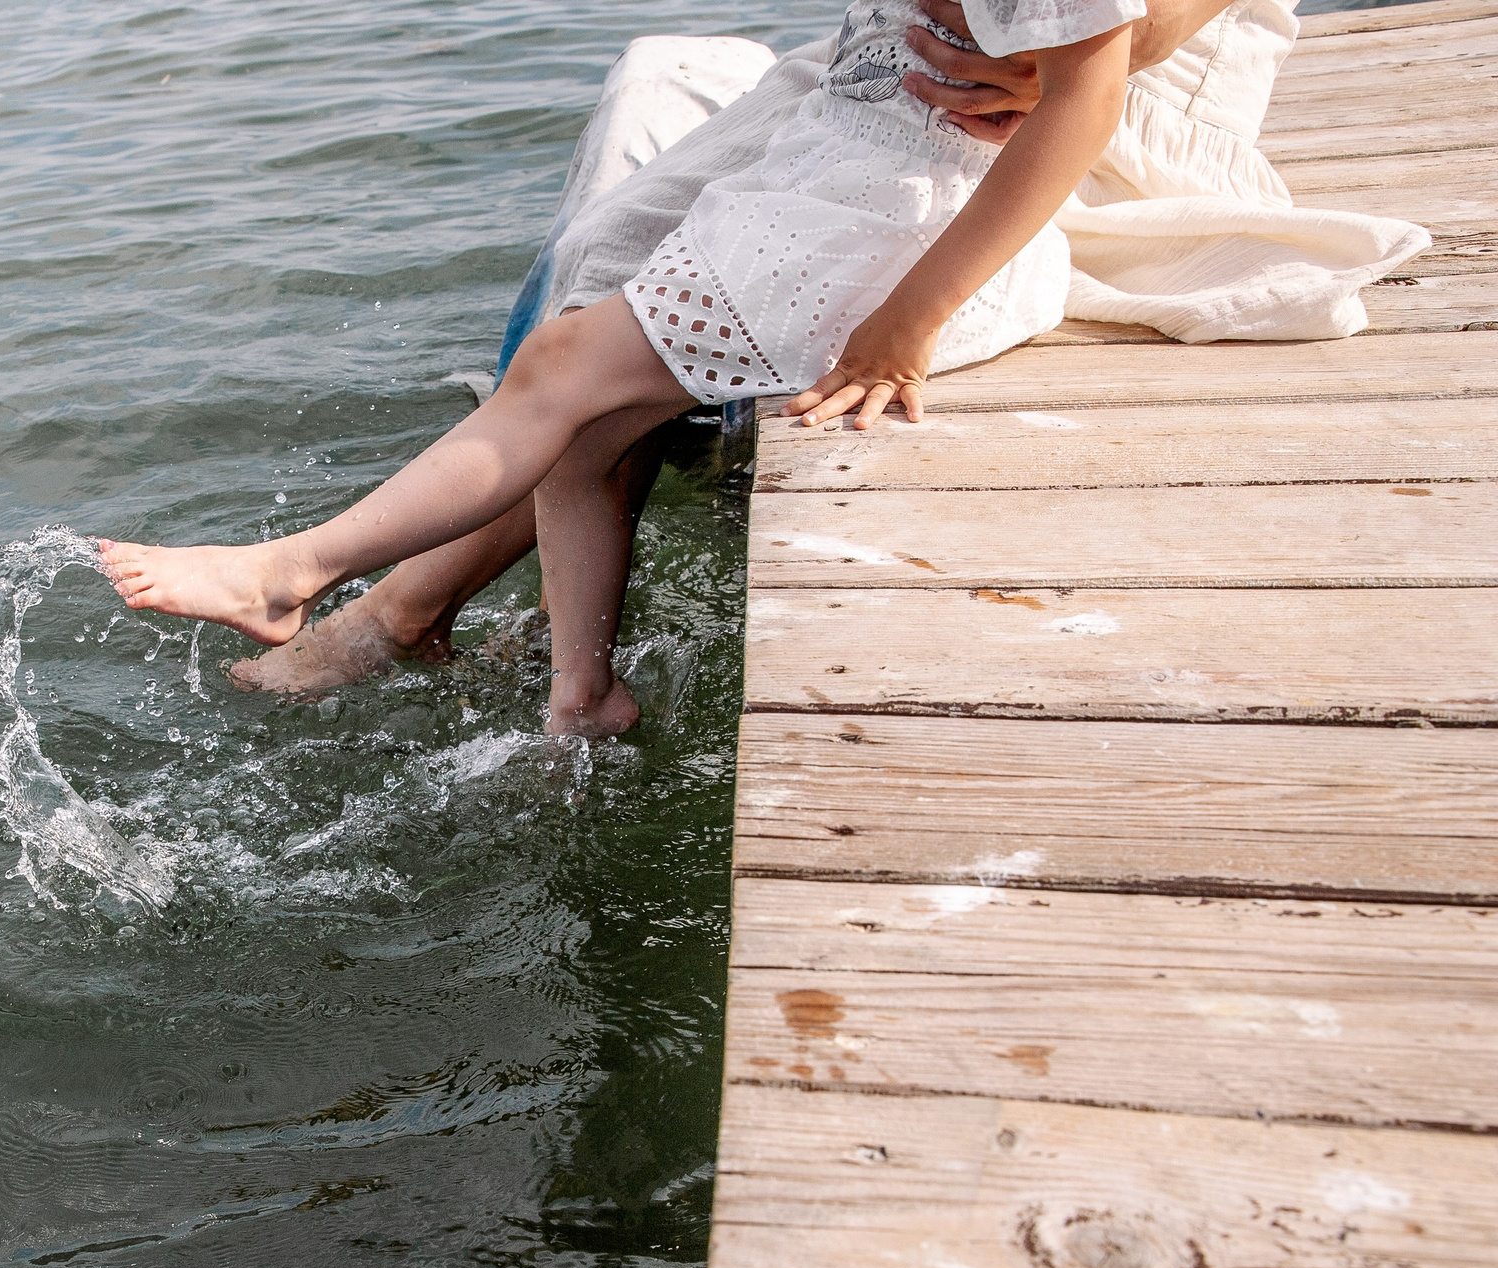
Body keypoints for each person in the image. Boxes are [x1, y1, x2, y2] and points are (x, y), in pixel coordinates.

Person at [100, 0, 1151, 735]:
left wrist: (909, 319)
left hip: (901, 217)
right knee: (584, 406)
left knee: (565, 369)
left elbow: (1089, 94)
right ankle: (582, 695)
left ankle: (291, 574)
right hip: (834, 160)